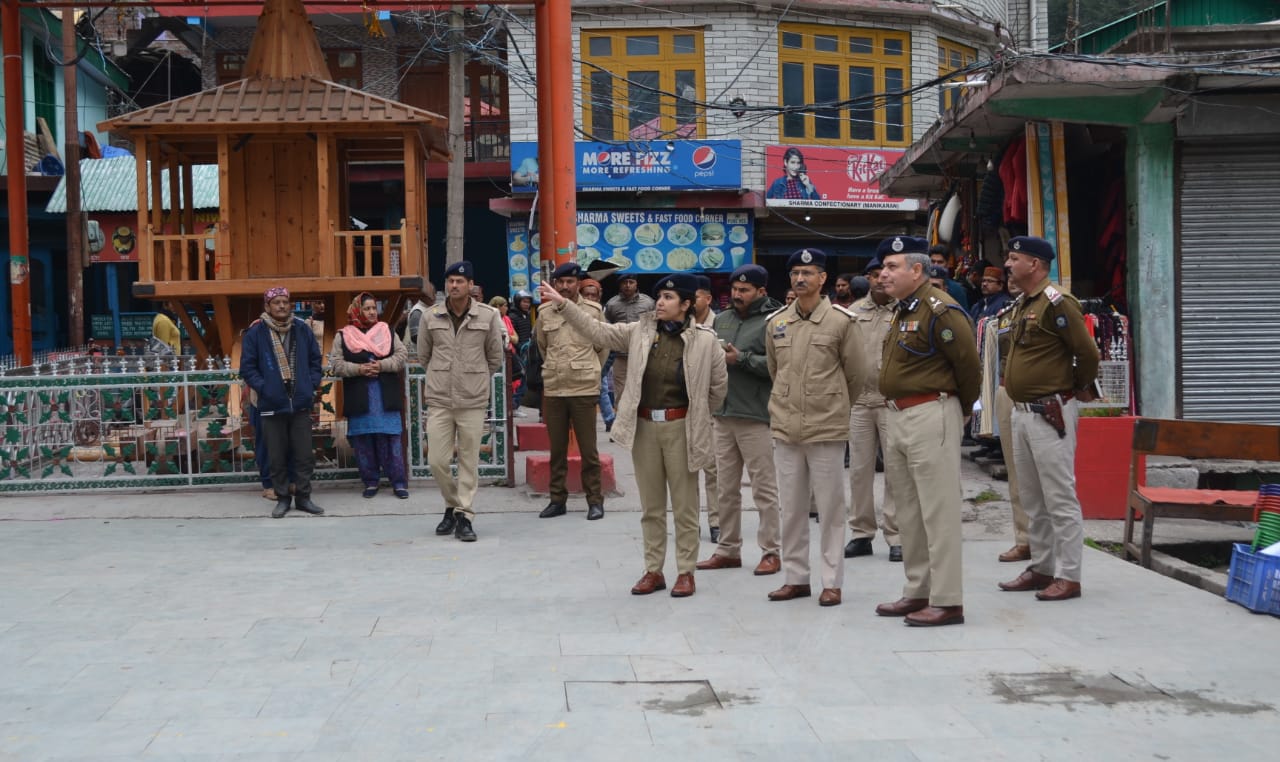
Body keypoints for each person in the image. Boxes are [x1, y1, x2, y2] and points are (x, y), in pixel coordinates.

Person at [538, 274, 727, 598]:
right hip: (644, 428)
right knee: (651, 507)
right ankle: (653, 570)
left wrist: (694, 415)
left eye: (668, 298)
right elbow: (599, 331)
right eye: (659, 297)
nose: (661, 303)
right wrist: (564, 305)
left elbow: (718, 389)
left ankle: (686, 571)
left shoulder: (706, 340)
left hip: (682, 428)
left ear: (685, 304)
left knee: (685, 506)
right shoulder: (640, 331)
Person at [874, 236, 980, 626]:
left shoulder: (941, 309)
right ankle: (917, 590)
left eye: (892, 267)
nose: (883, 274)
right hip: (898, 416)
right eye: (883, 267)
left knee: (939, 511)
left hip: (931, 412)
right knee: (909, 512)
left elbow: (969, 366)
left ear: (917, 270)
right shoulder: (903, 310)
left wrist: (961, 411)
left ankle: (948, 599)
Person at [998, 236, 1100, 602]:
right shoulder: (1024, 303)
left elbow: (1087, 352)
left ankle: (1069, 576)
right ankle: (1042, 567)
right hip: (1023, 412)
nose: (1007, 265)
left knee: (1059, 497)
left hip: (1050, 411)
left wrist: (1070, 388)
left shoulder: (1057, 302)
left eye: (1014, 258)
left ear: (1035, 265)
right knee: (1032, 497)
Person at [765, 248, 865, 608]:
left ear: (823, 278)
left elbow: (856, 374)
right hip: (786, 426)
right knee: (790, 508)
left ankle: (831, 581)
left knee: (831, 507)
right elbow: (776, 372)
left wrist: (832, 404)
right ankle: (796, 578)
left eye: (807, 272)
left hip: (826, 427)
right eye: (795, 273)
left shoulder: (841, 321)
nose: (800, 279)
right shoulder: (777, 322)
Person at [696, 264, 784, 576]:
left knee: (763, 488)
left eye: (744, 290)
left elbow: (780, 365)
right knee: (725, 488)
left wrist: (742, 359)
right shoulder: (723, 319)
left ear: (761, 291)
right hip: (723, 414)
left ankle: (771, 551)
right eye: (734, 289)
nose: (737, 294)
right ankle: (728, 549)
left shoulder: (775, 321)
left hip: (756, 416)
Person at [419, 261, 506, 542]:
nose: (453, 286)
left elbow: (495, 357)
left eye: (459, 281)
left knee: (469, 460)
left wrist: (475, 378)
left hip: (472, 400)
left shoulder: (489, 316)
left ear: (471, 285)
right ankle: (452, 504)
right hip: (440, 400)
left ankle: (464, 515)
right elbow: (424, 356)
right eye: (450, 281)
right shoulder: (430, 316)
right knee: (436, 460)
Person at [241, 286, 325, 519]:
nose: (281, 306)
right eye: (276, 302)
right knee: (276, 454)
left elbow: (315, 360)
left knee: (303, 454)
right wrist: (266, 388)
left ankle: (304, 497)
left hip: (299, 402)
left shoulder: (301, 329)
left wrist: (311, 383)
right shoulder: (256, 333)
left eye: (284, 302)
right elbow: (247, 367)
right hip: (271, 404)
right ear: (267, 306)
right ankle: (282, 498)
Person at [538, 262, 609, 521]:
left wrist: (589, 370)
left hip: (583, 388)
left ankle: (595, 501)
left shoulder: (593, 311)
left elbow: (603, 346)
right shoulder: (545, 312)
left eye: (570, 281)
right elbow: (542, 346)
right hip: (555, 389)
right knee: (556, 450)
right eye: (561, 282)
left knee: (589, 450)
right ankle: (557, 500)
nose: (565, 286)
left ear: (578, 283)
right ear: (555, 284)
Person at [845, 253, 901, 562]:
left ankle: (897, 535)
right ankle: (861, 534)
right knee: (859, 471)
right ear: (868, 278)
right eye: (875, 273)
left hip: (892, 402)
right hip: (859, 403)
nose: (881, 278)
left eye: (886, 272)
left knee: (896, 471)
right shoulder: (853, 312)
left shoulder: (905, 310)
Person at [329, 293, 409, 499]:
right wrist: (359, 369)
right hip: (360, 397)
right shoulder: (344, 336)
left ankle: (398, 482)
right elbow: (336, 364)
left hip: (385, 397)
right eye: (367, 309)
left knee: (391, 441)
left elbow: (401, 356)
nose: (372, 312)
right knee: (363, 442)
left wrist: (381, 365)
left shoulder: (387, 331)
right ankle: (371, 481)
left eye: (375, 308)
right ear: (357, 310)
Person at [692, 274, 719, 542]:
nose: (691, 301)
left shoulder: (720, 324)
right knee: (688, 471)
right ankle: (690, 522)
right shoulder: (681, 326)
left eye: (696, 296)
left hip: (712, 408)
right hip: (686, 408)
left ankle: (716, 521)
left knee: (713, 469)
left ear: (708, 299)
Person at [603, 273, 655, 405]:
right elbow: (606, 327)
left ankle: (641, 421)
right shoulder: (612, 304)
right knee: (620, 392)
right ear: (619, 285)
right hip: (620, 356)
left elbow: (655, 326)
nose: (627, 285)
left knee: (643, 389)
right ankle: (621, 420)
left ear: (636, 284)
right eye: (624, 282)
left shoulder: (648, 303)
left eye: (631, 282)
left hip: (642, 354)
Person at [578, 278, 615, 432]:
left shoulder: (603, 315)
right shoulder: (572, 313)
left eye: (594, 295)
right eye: (587, 295)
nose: (590, 299)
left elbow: (610, 345)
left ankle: (610, 419)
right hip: (577, 363)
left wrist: (601, 367)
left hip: (598, 363)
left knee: (602, 390)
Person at [401, 282, 437, 361]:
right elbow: (415, 337)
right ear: (423, 295)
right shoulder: (417, 311)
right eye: (431, 294)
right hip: (421, 358)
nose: (434, 296)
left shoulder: (434, 308)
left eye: (434, 293)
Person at [928, 245, 971, 310]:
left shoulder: (957, 290)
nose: (935, 265)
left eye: (940, 262)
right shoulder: (920, 285)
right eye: (933, 261)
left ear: (947, 264)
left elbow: (963, 317)